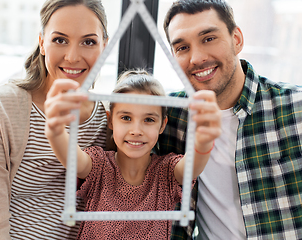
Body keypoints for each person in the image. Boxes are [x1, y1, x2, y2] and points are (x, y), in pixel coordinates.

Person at [0, 0, 109, 239]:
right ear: (42, 43)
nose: (72, 57)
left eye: (88, 42)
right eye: (60, 40)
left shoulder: (111, 119)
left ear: (104, 46)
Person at [159, 0, 302, 239]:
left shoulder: (295, 107)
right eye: (182, 48)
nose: (196, 58)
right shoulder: (166, 116)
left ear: (237, 40)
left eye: (208, 38)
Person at [44, 69, 222, 239]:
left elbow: (193, 167)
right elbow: (73, 159)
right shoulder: (99, 165)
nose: (136, 130)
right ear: (110, 120)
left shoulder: (167, 172)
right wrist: (55, 131)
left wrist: (203, 142)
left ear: (162, 125)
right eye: (126, 118)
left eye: (149, 120)